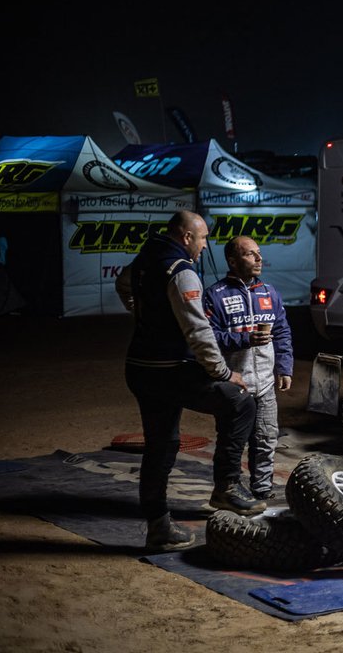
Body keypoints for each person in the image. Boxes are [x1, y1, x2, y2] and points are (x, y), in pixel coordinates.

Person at [116, 211, 264, 552]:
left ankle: (158, 526)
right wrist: (225, 374)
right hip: (170, 371)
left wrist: (142, 313)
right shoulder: (182, 272)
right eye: (202, 238)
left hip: (140, 369)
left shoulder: (144, 261)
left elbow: (123, 284)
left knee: (161, 444)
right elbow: (199, 333)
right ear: (186, 238)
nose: (204, 244)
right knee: (239, 401)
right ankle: (227, 487)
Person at [203, 236, 294, 502]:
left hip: (265, 382)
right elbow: (208, 336)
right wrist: (244, 339)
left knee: (266, 438)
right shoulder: (215, 295)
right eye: (250, 254)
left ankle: (262, 489)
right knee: (233, 442)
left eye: (259, 253)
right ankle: (229, 490)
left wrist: (284, 367)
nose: (258, 258)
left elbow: (282, 331)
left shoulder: (269, 292)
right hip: (233, 385)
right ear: (232, 260)